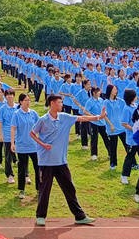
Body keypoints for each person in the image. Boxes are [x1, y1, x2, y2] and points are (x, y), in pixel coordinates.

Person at [30, 94, 105, 227]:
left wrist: (98, 117)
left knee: (69, 188)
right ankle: (40, 216)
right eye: (59, 102)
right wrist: (42, 144)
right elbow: (32, 133)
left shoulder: (64, 117)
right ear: (52, 103)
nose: (62, 105)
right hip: (46, 162)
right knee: (44, 190)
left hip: (61, 162)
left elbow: (81, 118)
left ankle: (80, 216)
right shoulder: (43, 120)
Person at [10, 93, 40, 199]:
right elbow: (13, 128)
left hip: (34, 146)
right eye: (26, 100)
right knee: (22, 169)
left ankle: (39, 188)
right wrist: (12, 143)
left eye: (29, 100)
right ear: (21, 102)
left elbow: (40, 125)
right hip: (22, 146)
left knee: (38, 168)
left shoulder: (33, 113)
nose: (28, 102)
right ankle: (21, 190)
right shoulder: (17, 114)